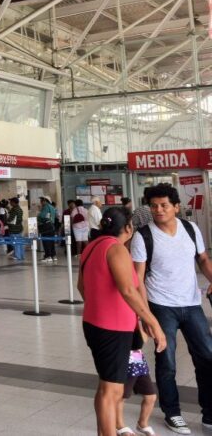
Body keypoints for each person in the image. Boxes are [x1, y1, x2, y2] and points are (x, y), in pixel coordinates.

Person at [131, 184, 212, 434]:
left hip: (192, 303)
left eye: (164, 205)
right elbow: (138, 278)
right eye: (154, 206)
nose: (158, 210)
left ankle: (210, 414)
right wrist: (146, 316)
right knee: (167, 362)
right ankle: (172, 413)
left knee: (208, 358)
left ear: (176, 207)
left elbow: (203, 259)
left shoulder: (190, 229)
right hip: (161, 305)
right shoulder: (143, 236)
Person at [78, 206, 166, 436]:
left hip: (95, 324)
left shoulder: (92, 246)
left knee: (106, 386)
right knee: (112, 391)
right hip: (113, 329)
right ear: (128, 227)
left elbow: (81, 287)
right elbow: (128, 290)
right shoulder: (116, 249)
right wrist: (153, 323)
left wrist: (99, 307)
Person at [117, 327, 158, 436]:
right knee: (121, 397)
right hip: (123, 361)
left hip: (137, 360)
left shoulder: (138, 321)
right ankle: (119, 425)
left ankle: (142, 424)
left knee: (151, 397)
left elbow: (141, 341)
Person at [38, 197, 58, 263]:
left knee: (46, 241)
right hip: (51, 226)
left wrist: (38, 215)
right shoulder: (52, 207)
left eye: (41, 201)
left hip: (45, 226)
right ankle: (53, 256)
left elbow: (42, 216)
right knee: (51, 242)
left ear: (45, 201)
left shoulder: (46, 207)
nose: (41, 202)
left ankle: (48, 256)